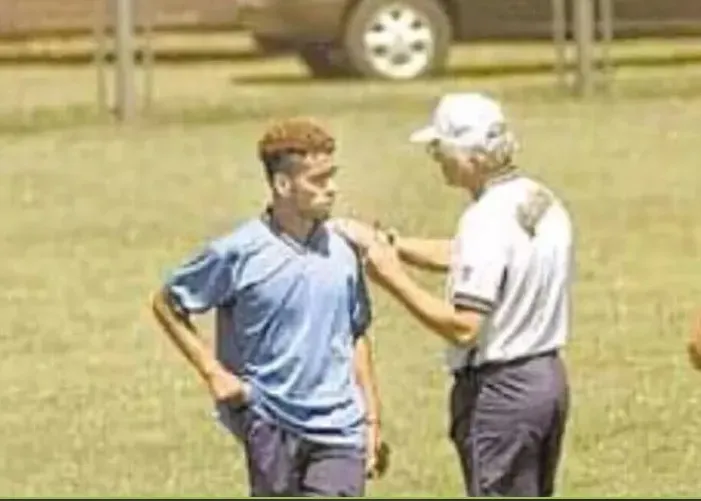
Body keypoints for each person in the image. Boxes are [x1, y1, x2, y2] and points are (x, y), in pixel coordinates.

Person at [335, 92, 575, 497]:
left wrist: (392, 277)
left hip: (501, 391)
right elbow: (475, 258)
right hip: (545, 380)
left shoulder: (483, 221)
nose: (436, 160)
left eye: (438, 149)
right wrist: (390, 242)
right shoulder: (538, 199)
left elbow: (464, 327)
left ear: (470, 157)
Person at [149, 117, 387, 497]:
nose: (333, 189)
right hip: (271, 420)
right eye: (319, 180)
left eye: (333, 176)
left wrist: (371, 420)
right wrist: (213, 372)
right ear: (282, 184)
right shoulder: (239, 253)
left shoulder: (343, 252)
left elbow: (355, 334)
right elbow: (168, 302)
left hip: (340, 427)